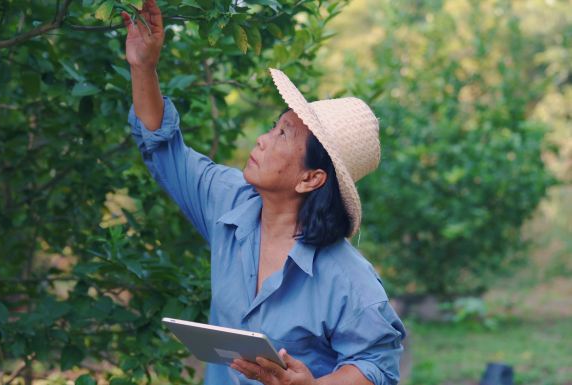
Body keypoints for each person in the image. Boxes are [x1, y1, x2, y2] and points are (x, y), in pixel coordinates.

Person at [123, 1, 406, 384]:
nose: (262, 139)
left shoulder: (346, 277)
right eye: (275, 126)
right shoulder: (229, 204)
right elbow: (163, 149)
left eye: (283, 135)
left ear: (311, 179)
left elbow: (377, 366)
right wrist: (143, 66)